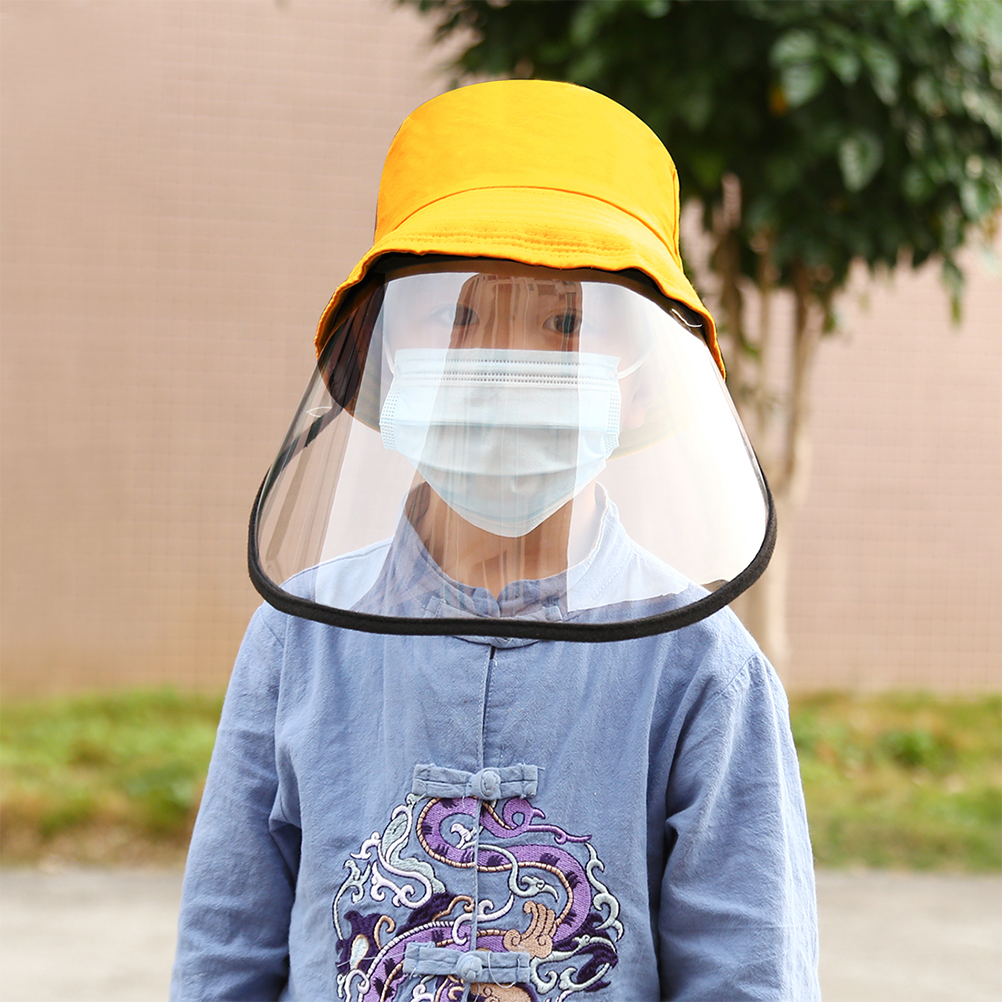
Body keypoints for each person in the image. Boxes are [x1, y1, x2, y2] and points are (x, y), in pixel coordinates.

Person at [171, 80, 820, 1002]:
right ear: (384, 356)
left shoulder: (704, 671)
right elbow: (223, 958)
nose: (507, 362)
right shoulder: (297, 643)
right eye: (458, 315)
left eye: (566, 322)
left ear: (642, 378)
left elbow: (748, 978)